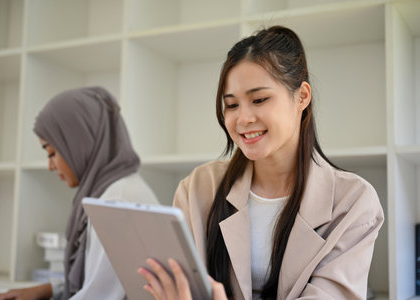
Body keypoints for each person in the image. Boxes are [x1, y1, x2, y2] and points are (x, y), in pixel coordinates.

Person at [138, 25, 384, 300]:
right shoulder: (197, 188)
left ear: (302, 96)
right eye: (231, 105)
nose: (243, 119)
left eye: (259, 99)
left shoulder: (353, 201)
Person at [0, 86, 159, 300]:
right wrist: (50, 290)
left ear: (79, 143)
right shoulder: (114, 190)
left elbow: (101, 296)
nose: (50, 166)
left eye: (52, 152)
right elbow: (99, 282)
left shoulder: (117, 200)